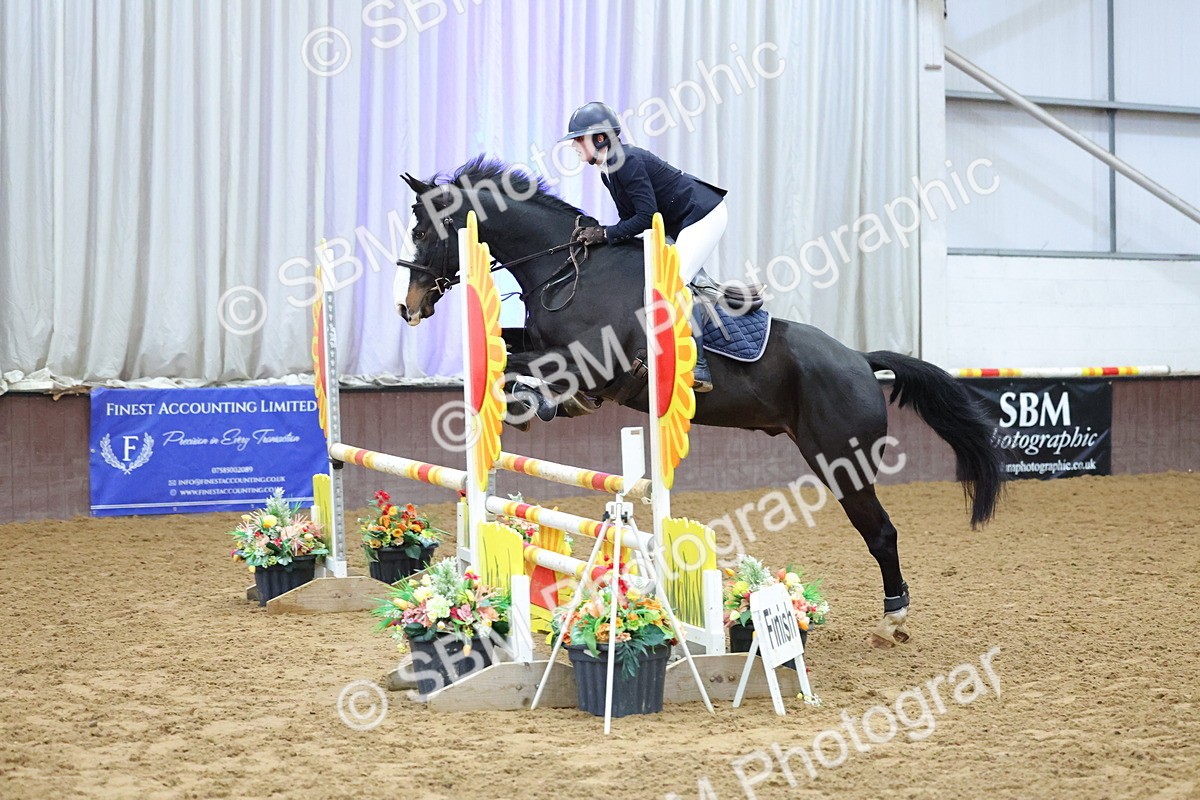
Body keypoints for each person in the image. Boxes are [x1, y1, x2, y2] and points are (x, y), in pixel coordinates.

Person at [560, 101, 728, 393]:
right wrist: (604, 238)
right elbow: (631, 219)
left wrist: (604, 234)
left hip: (703, 215)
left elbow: (646, 216)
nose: (574, 146)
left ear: (599, 138)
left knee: (674, 283)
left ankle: (699, 366)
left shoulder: (626, 161)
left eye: (579, 139)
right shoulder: (608, 170)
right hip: (677, 222)